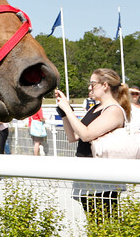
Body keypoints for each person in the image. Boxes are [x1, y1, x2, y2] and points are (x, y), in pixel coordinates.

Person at [56, 68, 134, 216]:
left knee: (104, 224)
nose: (89, 87)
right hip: (87, 173)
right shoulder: (95, 108)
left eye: (92, 84)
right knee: (94, 224)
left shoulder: (114, 110)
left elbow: (86, 135)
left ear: (105, 85)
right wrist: (65, 114)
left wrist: (68, 109)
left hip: (103, 178)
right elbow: (73, 137)